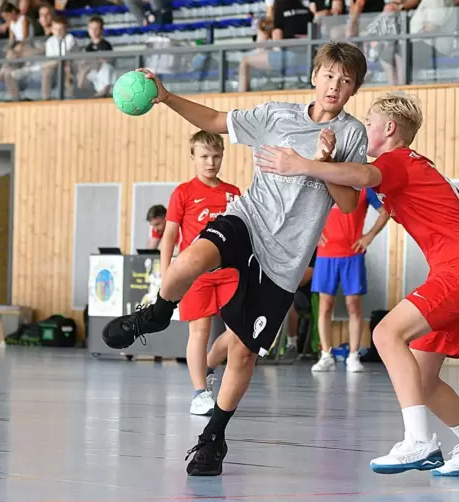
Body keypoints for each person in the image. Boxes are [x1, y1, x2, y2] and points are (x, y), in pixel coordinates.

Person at [101, 41, 369, 477]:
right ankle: (156, 315)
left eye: (346, 80)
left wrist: (315, 163)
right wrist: (167, 98)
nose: (334, 85)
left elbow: (347, 204)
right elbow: (212, 120)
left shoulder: (351, 134)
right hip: (248, 218)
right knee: (189, 261)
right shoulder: (276, 114)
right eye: (329, 75)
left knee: (243, 354)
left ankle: (213, 438)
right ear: (314, 75)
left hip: (284, 258)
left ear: (354, 88)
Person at [254, 92, 459, 477]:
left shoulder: (398, 162)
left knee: (387, 333)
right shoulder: (409, 167)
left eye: (369, 124)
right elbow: (350, 195)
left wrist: (301, 164)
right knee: (422, 379)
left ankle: (419, 443)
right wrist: (325, 161)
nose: (365, 130)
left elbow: (362, 176)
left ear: (389, 129)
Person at [162, 131, 242, 416]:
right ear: (193, 158)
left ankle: (208, 365)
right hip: (196, 275)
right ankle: (200, 392)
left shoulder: (233, 192)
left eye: (216, 156)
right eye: (205, 157)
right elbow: (170, 235)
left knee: (238, 333)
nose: (211, 162)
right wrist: (167, 276)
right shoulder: (183, 192)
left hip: (230, 272)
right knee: (199, 330)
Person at [311, 187, 390, 373]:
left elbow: (385, 212)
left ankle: (353, 355)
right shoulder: (324, 186)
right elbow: (301, 210)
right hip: (326, 254)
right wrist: (312, 233)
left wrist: (368, 236)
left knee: (353, 305)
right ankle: (325, 355)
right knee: (325, 306)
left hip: (352, 254)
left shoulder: (364, 189)